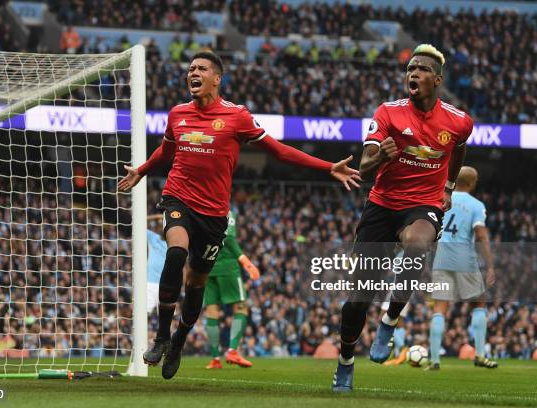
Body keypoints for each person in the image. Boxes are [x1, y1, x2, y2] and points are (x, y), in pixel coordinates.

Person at [118, 51, 361, 380]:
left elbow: (278, 150)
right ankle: (161, 336)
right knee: (175, 253)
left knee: (197, 282)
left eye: (201, 68)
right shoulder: (178, 114)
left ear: (216, 78)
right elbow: (167, 150)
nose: (194, 72)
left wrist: (327, 166)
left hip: (214, 214)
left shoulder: (237, 116)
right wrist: (142, 171)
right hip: (179, 198)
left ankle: (179, 341)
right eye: (191, 68)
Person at [332, 44, 474, 393]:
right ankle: (346, 361)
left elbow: (458, 148)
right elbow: (362, 169)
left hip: (423, 204)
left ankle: (390, 320)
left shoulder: (458, 121)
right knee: (357, 299)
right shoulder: (387, 113)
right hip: (382, 205)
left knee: (417, 244)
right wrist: (381, 156)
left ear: (437, 79)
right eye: (410, 68)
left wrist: (449, 186)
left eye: (422, 69)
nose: (413, 74)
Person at [428, 166, 498, 370]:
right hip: (464, 259)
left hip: (441, 258)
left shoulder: (440, 197)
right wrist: (490, 265)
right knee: (478, 304)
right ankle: (480, 355)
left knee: (440, 308)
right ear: (472, 183)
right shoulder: (476, 205)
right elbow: (481, 235)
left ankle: (434, 360)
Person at [205, 210, 260, 369]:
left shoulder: (201, 208)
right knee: (241, 308)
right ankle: (232, 351)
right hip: (227, 266)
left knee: (212, 311)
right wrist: (246, 262)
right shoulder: (225, 210)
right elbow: (227, 238)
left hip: (207, 266)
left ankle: (215, 358)